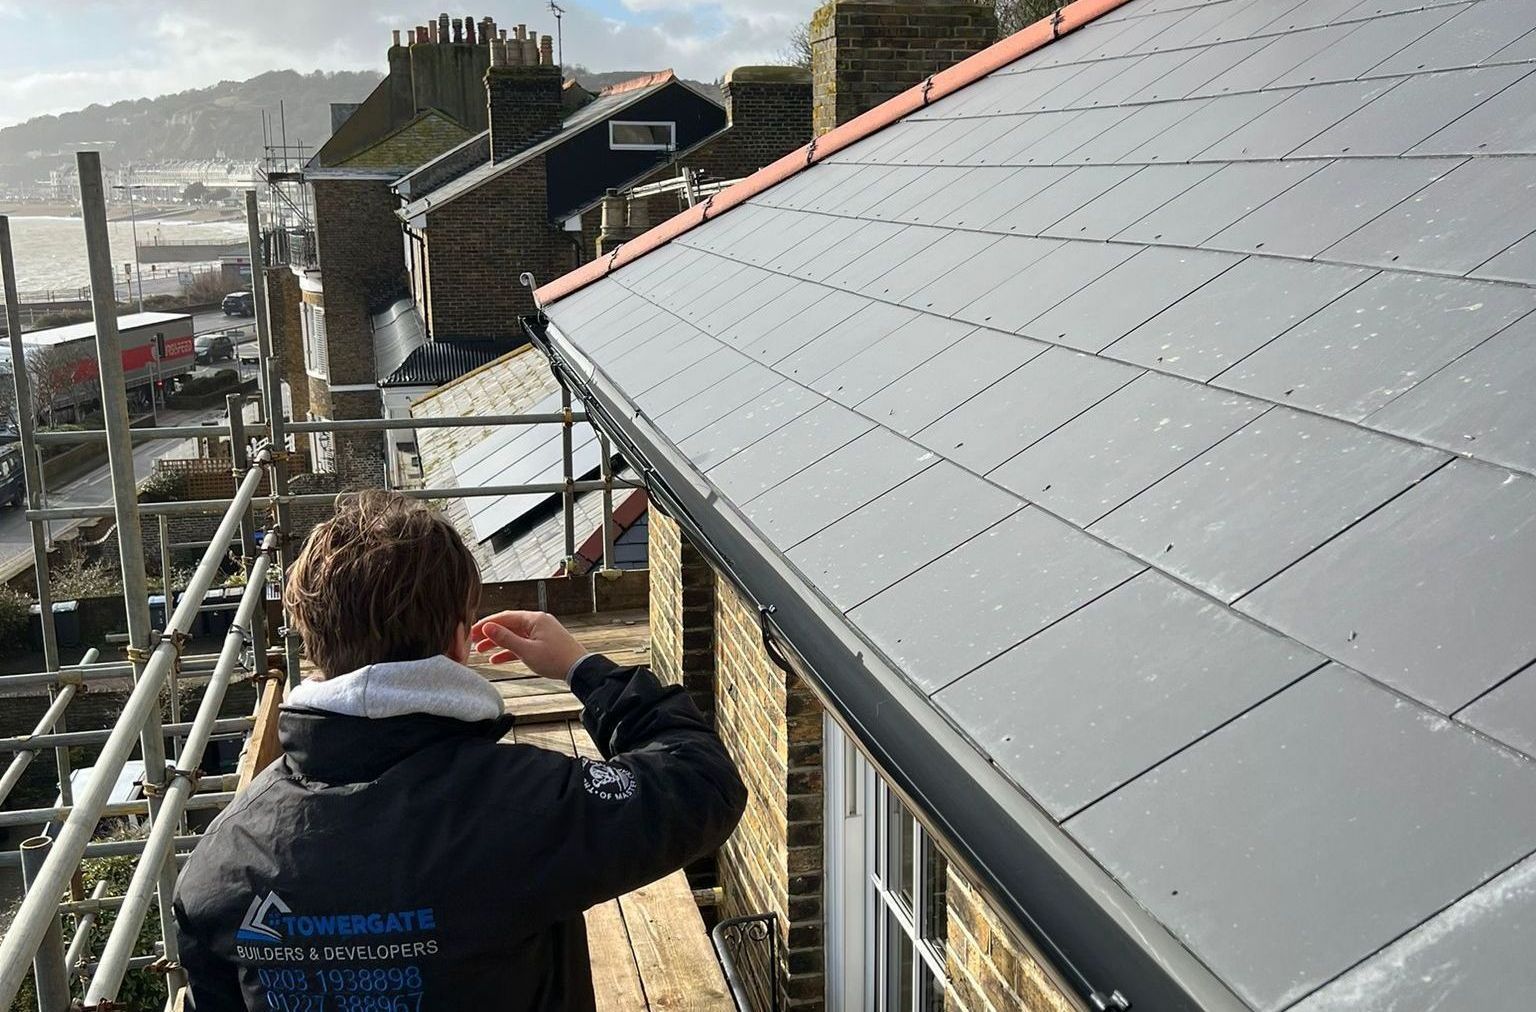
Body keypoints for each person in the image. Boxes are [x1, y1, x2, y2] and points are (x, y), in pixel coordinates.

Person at [174, 490, 747, 1011]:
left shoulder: (224, 862)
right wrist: (583, 669)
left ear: (313, 638)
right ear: (459, 637)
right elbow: (701, 781)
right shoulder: (527, 808)